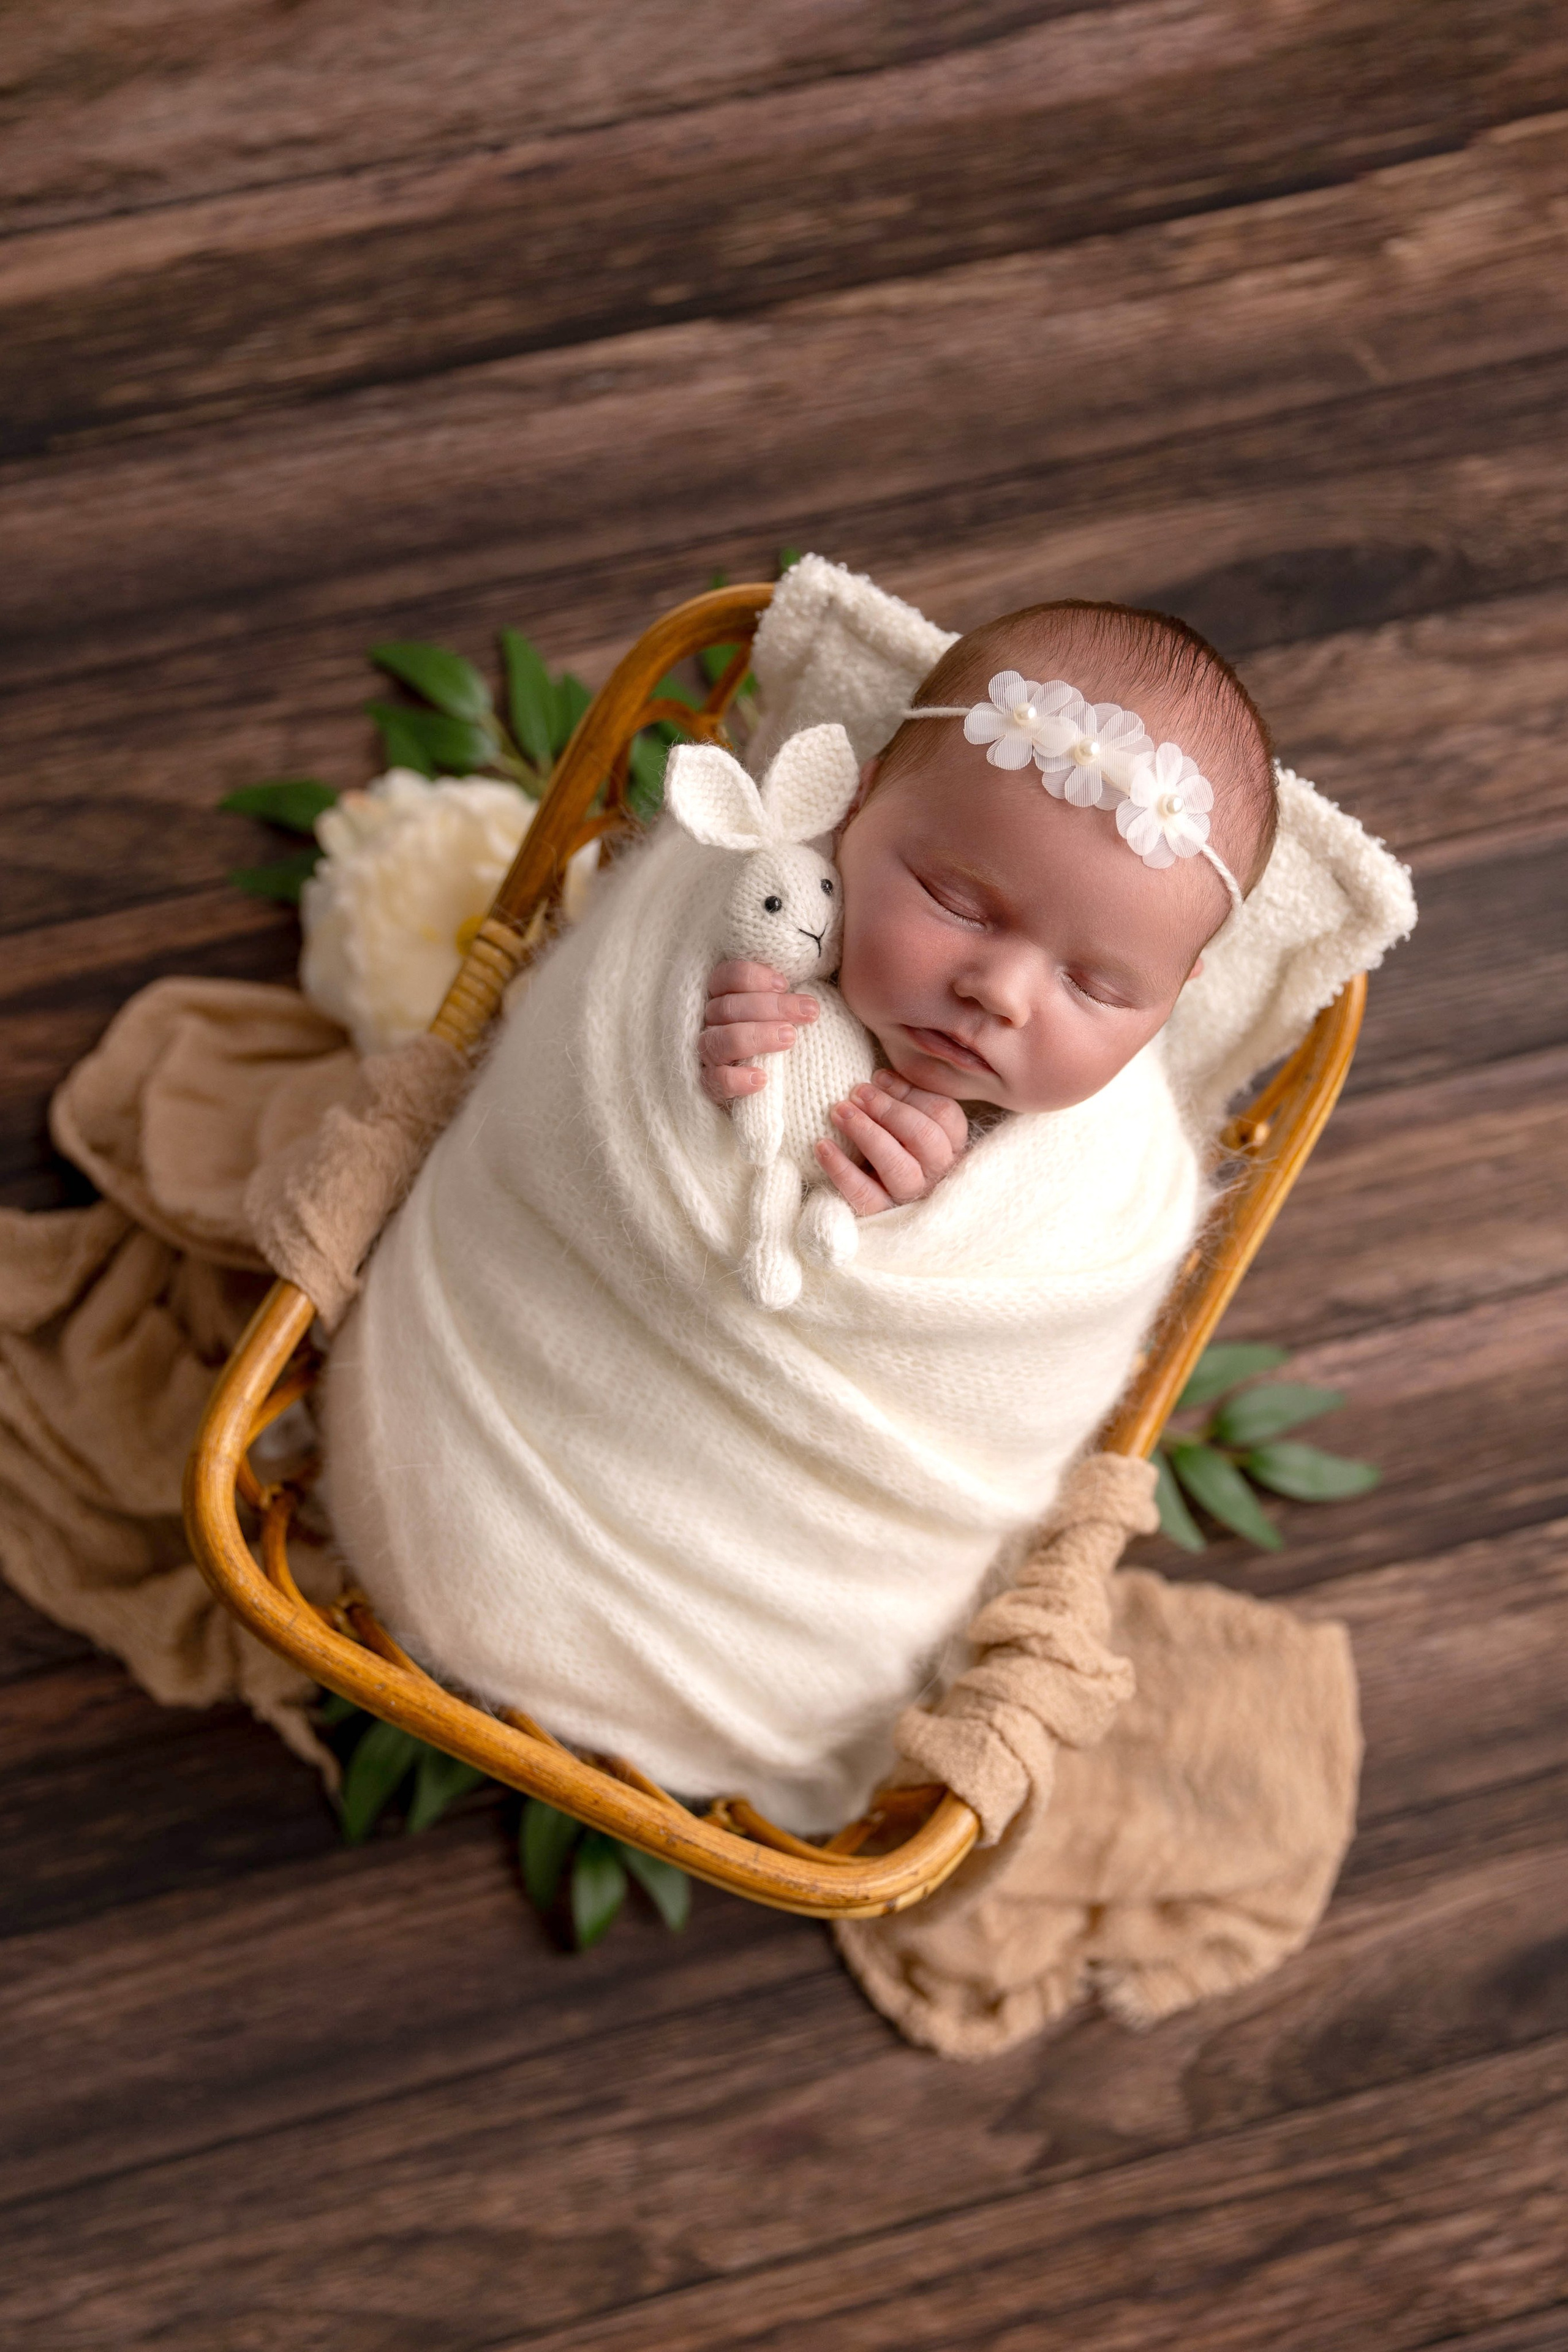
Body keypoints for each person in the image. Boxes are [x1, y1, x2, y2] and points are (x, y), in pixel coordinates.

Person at [699, 597, 1276, 1215]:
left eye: (1095, 987)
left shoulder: (1111, 1167)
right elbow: (634, 976)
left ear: (1173, 996)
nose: (1002, 994)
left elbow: (1071, 1281)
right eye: (956, 903)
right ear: (854, 805)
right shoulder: (766, 898)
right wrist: (694, 1037)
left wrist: (921, 1216)